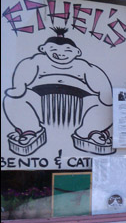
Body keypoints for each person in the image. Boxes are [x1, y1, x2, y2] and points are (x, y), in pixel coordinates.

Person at [3, 27, 115, 155]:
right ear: (43, 49)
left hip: (82, 106)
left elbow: (102, 85)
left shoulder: (84, 66)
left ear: (77, 52)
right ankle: (29, 130)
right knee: (16, 98)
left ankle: (90, 131)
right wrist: (19, 88)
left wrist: (105, 98)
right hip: (39, 104)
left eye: (68, 50)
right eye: (54, 49)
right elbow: (21, 77)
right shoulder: (36, 61)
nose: (61, 53)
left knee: (103, 103)